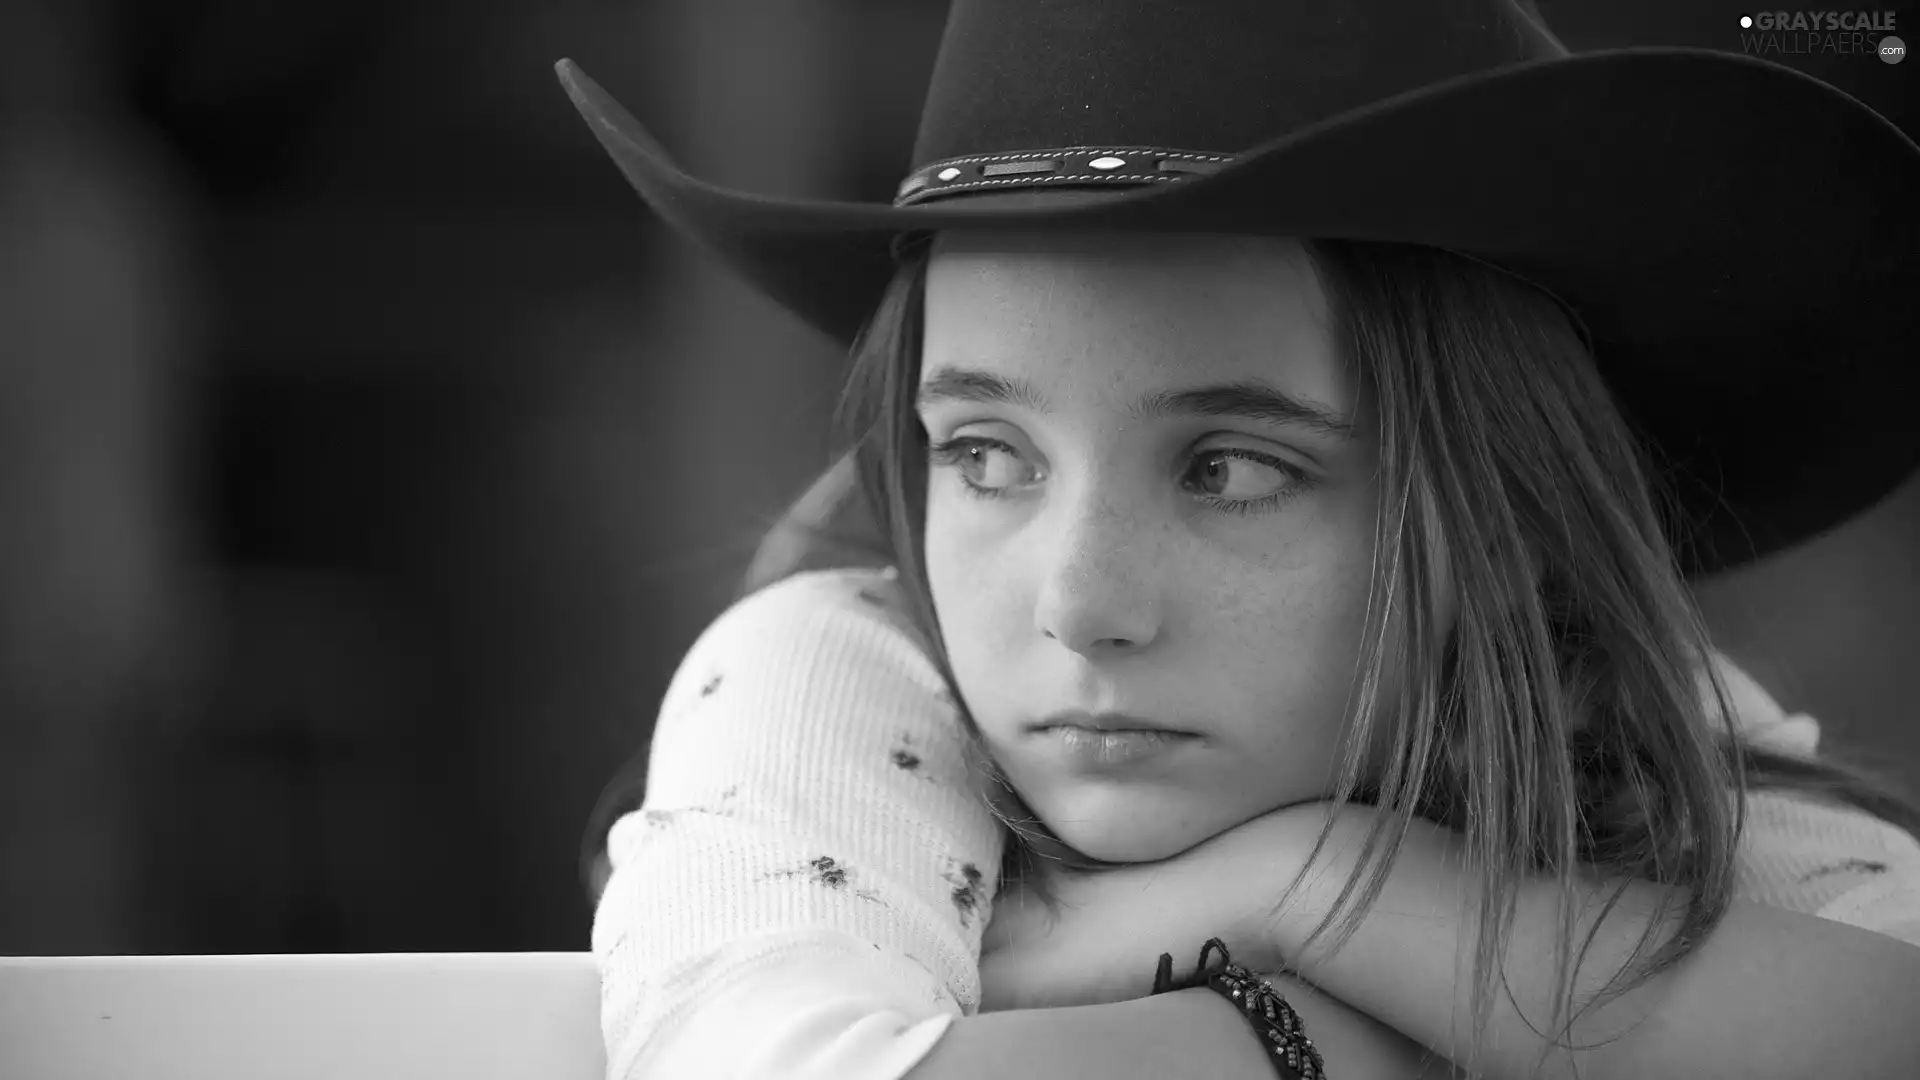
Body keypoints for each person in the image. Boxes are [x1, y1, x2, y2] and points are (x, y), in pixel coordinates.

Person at [556, 0, 1920, 1076]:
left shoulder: (1572, 691)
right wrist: (1362, 1035)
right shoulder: (838, 669)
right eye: (984, 456)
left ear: (1497, 540)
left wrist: (1320, 887)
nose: (1081, 604)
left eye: (1227, 469)